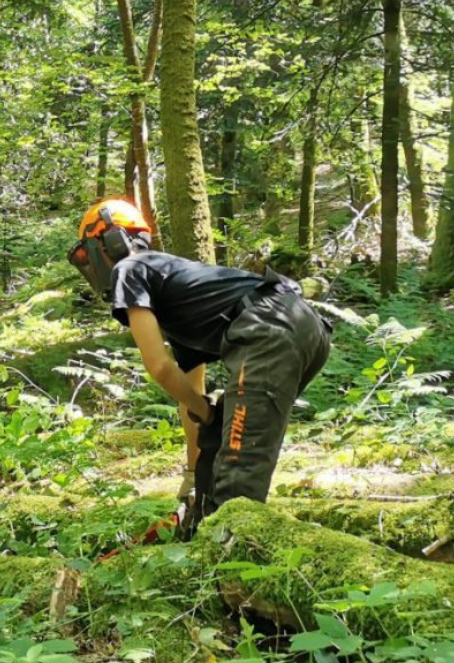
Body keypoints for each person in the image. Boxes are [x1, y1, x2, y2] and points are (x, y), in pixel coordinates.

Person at [67, 200, 331, 524]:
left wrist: (205, 410)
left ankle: (228, 562)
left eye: (88, 255)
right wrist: (192, 474)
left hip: (267, 327)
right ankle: (209, 532)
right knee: (226, 445)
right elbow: (190, 395)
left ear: (109, 241)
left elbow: (160, 368)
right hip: (303, 326)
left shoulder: (129, 269)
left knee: (237, 477)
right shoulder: (172, 291)